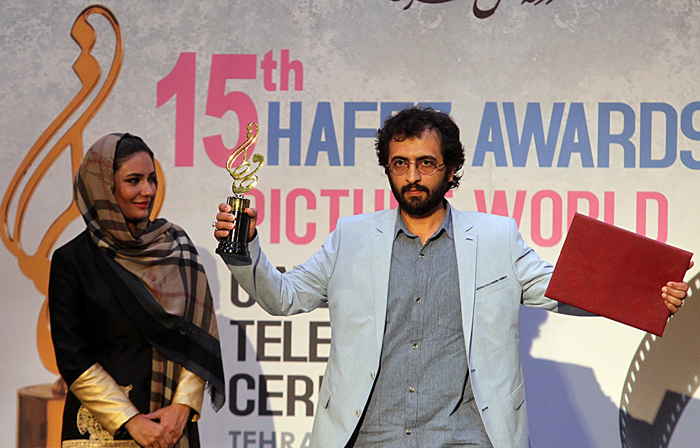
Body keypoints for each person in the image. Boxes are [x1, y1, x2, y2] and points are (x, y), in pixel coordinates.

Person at [213, 107, 690, 448]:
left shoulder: (496, 238)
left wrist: (651, 293)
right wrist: (243, 247)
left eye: (426, 163)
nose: (412, 176)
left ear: (451, 168)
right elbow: (284, 298)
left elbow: (563, 289)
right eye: (400, 164)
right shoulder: (351, 237)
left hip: (466, 439)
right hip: (369, 437)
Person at [50, 133, 225, 448]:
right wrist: (129, 421)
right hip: (101, 434)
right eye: (134, 180)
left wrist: (183, 406)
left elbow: (198, 336)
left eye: (152, 179)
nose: (148, 190)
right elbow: (73, 357)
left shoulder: (176, 248)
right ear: (103, 186)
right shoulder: (73, 261)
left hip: (172, 431)